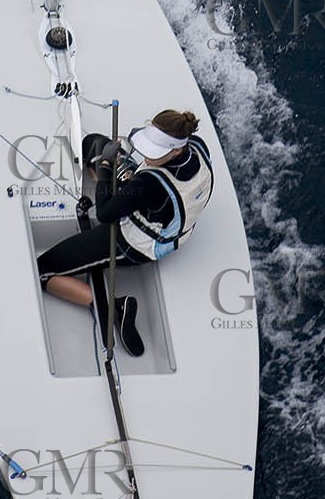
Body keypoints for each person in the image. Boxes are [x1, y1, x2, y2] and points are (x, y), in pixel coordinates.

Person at [36, 110, 214, 357]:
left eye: (154, 152)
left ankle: (115, 309)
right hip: (164, 217)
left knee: (41, 270)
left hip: (135, 243)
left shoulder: (149, 184)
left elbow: (105, 214)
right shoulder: (197, 147)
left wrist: (106, 167)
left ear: (175, 151)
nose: (147, 155)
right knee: (94, 144)